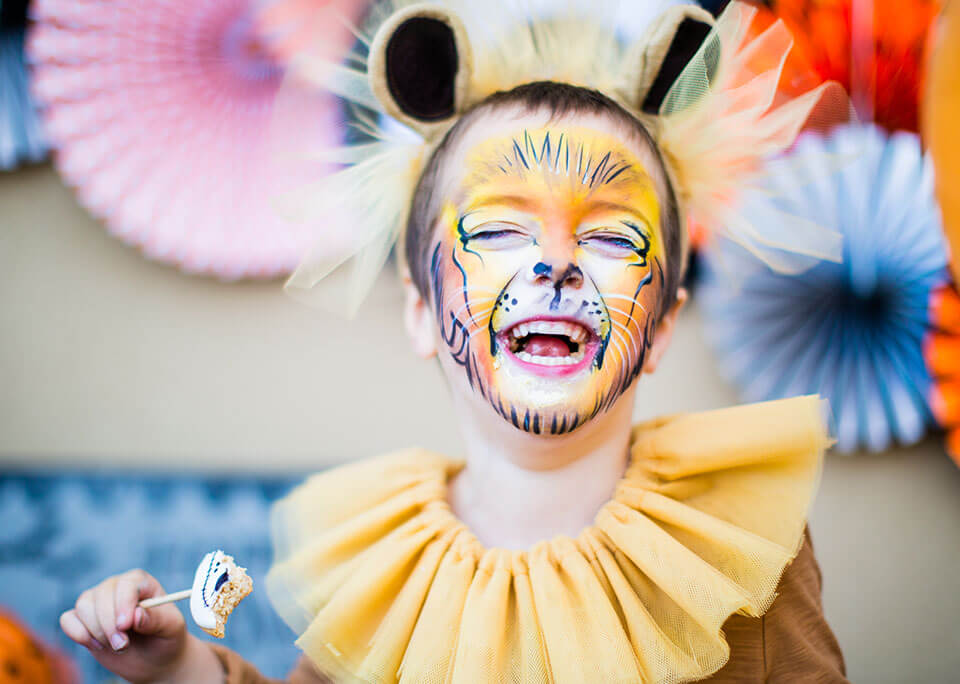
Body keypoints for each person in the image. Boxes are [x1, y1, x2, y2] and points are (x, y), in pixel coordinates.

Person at [59, 2, 848, 682]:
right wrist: (179, 668)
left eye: (609, 237)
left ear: (663, 327)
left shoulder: (728, 551)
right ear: (420, 311)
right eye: (501, 227)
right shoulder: (386, 566)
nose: (556, 262)